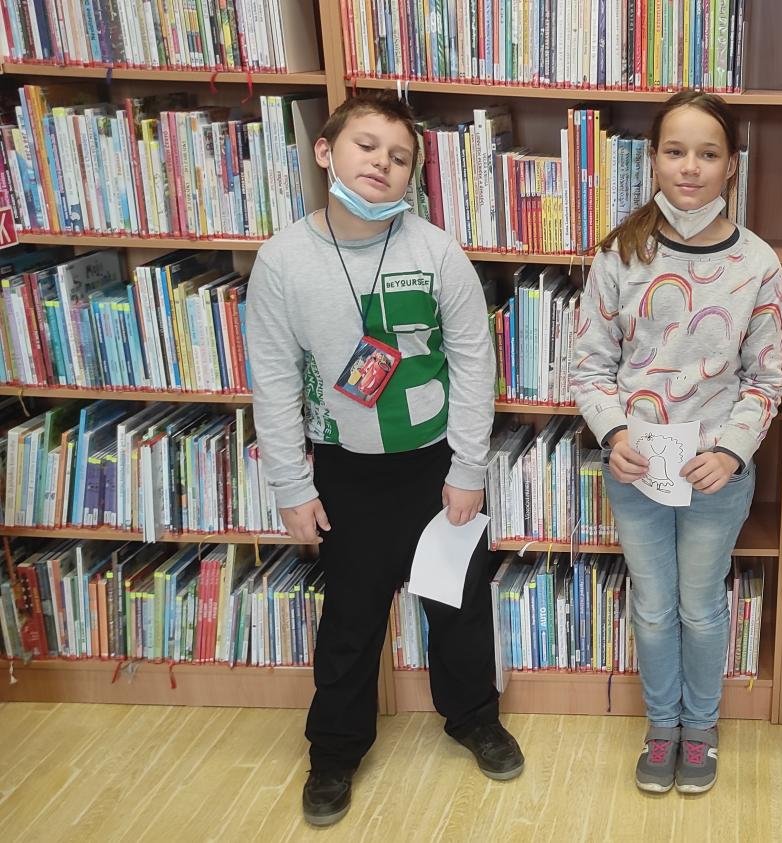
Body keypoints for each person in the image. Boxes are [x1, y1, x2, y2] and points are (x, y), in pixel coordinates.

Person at [246, 91, 521, 828]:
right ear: (325, 151)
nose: (382, 163)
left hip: (435, 469)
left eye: (400, 157)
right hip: (346, 473)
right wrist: (291, 485)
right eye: (366, 145)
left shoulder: (436, 252)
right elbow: (273, 380)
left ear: (412, 177)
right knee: (351, 617)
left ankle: (474, 718)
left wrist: (467, 469)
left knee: (458, 605)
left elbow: (473, 363)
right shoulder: (283, 260)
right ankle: (335, 750)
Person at [571, 89, 782, 795]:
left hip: (715, 474)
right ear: (654, 160)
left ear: (731, 165)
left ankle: (702, 729)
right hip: (637, 469)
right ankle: (662, 726)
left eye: (708, 153)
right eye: (675, 151)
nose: (690, 167)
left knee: (701, 605)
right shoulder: (620, 253)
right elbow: (590, 366)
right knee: (654, 606)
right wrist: (615, 431)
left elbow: (766, 377)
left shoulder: (757, 262)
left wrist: (731, 451)